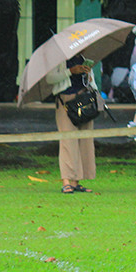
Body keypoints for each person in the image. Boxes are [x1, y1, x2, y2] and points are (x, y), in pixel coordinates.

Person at [48, 55, 96, 193]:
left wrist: (88, 76)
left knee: (85, 141)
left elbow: (91, 83)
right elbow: (50, 79)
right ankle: (67, 180)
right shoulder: (59, 60)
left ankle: (76, 181)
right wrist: (70, 71)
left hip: (84, 100)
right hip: (66, 102)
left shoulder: (84, 58)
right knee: (68, 141)